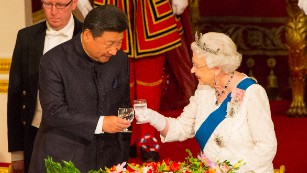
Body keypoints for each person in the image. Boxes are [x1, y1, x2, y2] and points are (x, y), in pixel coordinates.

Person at [135, 32, 278, 172]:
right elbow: (181, 127)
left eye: (197, 66)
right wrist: (151, 116)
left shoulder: (252, 93)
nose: (192, 70)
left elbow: (266, 146)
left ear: (216, 68)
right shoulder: (204, 89)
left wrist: (233, 170)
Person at [77, 0, 196, 162]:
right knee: (121, 88)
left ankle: (147, 141)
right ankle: (126, 139)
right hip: (112, 7)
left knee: (150, 87)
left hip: (150, 9)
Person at [28, 4, 132, 173]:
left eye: (119, 42)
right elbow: (54, 112)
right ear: (88, 35)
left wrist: (122, 153)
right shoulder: (53, 61)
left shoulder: (119, 59)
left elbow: (123, 104)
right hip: (63, 159)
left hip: (108, 160)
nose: (114, 50)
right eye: (110, 43)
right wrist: (101, 123)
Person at [7, 0, 82, 172]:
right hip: (34, 132)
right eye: (48, 4)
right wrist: (17, 152)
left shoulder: (87, 35)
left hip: (76, 137)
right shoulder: (26, 37)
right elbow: (15, 94)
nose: (53, 11)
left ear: (73, 4)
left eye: (60, 5)